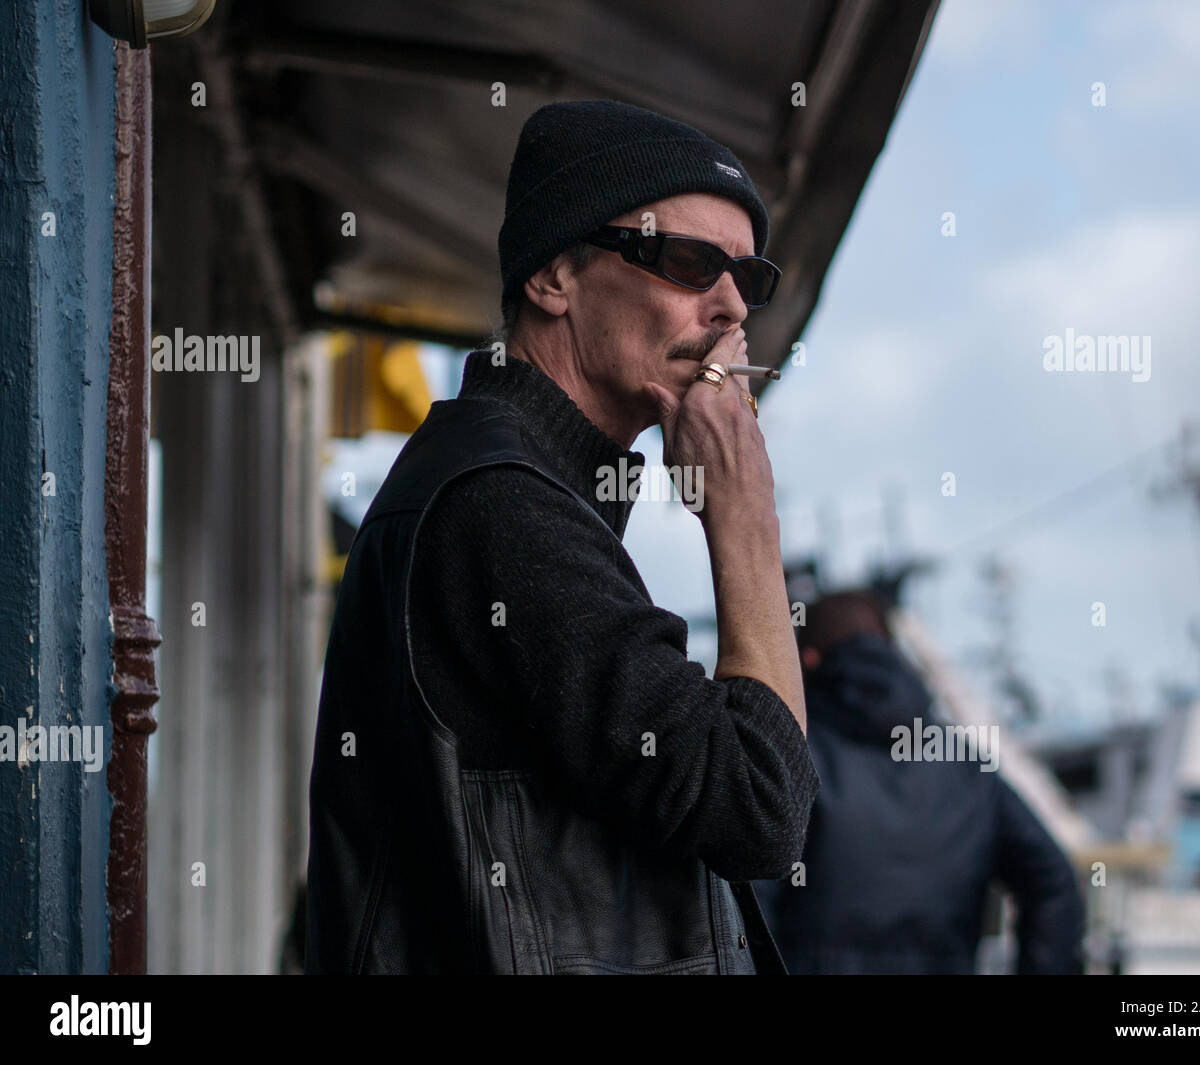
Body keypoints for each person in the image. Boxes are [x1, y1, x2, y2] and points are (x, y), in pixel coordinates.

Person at [304, 99, 819, 974]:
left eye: (749, 278)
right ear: (554, 278)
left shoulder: (514, 487)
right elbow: (758, 806)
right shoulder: (499, 502)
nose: (733, 306)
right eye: (692, 262)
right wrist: (745, 519)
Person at [755, 589, 1084, 974]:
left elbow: (749, 896)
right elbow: (1053, 880)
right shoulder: (965, 765)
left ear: (808, 661)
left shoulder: (791, 755)